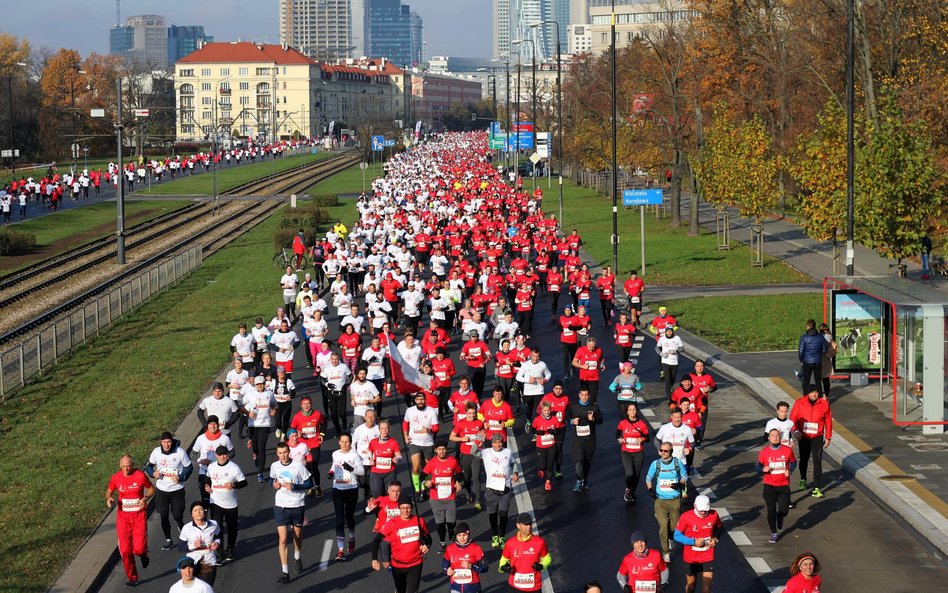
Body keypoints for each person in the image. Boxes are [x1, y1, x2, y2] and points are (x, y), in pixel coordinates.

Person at [106, 455, 154, 588]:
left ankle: (143, 554)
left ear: (132, 466)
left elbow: (151, 488)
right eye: (123, 467)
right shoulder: (116, 478)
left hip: (138, 516)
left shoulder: (140, 476)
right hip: (123, 519)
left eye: (128, 466)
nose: (126, 469)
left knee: (138, 549)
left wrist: (145, 497)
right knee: (126, 551)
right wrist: (109, 498)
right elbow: (109, 492)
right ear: (120, 466)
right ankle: (132, 577)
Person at [270, 441, 314, 583]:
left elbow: (309, 483)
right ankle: (285, 572)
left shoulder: (298, 466)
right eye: (280, 453)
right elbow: (272, 479)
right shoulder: (274, 466)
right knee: (282, 539)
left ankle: (297, 556)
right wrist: (273, 484)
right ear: (277, 454)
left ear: (289, 452)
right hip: (281, 506)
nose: (283, 456)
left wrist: (294, 486)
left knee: (297, 535)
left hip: (297, 505)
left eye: (285, 452)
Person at [371, 493, 432, 593]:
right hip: (398, 566)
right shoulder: (392, 523)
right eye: (403, 508)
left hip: (415, 564)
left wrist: (427, 545)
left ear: (411, 508)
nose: (406, 511)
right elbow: (376, 541)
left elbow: (428, 538)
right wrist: (374, 559)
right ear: (399, 509)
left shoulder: (419, 521)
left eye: (408, 508)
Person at [145, 432, 193, 551]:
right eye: (164, 442)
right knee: (163, 515)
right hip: (162, 489)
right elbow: (149, 466)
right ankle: (168, 539)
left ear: (172, 441)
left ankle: (180, 524)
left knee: (177, 515)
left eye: (169, 442)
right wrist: (152, 473)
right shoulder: (156, 452)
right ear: (161, 442)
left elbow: (189, 467)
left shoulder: (180, 452)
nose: (166, 445)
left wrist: (181, 477)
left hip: (177, 489)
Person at [645, 441, 688, 562]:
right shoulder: (656, 464)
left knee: (674, 527)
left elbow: (685, 476)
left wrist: (679, 484)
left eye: (666, 451)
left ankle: (670, 538)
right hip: (660, 500)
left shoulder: (677, 462)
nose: (663, 453)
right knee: (663, 526)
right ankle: (666, 552)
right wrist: (650, 490)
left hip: (675, 500)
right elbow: (648, 478)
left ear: (671, 452)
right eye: (661, 450)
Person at [204, 446, 246, 563]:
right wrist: (207, 486)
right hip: (215, 501)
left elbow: (244, 482)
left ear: (227, 455)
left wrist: (234, 485)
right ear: (216, 456)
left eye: (225, 454)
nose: (223, 457)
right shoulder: (212, 467)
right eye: (220, 455)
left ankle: (230, 548)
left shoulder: (234, 467)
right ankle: (220, 552)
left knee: (232, 528)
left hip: (230, 504)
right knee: (217, 527)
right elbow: (207, 478)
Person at [674, 495, 723, 593]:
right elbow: (677, 535)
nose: (704, 512)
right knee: (691, 586)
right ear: (694, 505)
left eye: (706, 510)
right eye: (701, 510)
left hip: (707, 555)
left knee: (706, 588)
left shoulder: (714, 515)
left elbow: (720, 527)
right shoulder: (686, 517)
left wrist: (715, 539)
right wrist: (693, 542)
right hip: (691, 556)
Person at [756, 428, 798, 543]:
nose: (775, 437)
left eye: (777, 435)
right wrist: (762, 469)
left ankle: (780, 516)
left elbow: (794, 462)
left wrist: (790, 471)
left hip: (783, 486)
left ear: (780, 437)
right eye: (772, 435)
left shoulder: (787, 450)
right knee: (771, 510)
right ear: (769, 438)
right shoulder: (764, 452)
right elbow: (757, 467)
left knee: (784, 510)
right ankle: (774, 533)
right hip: (769, 486)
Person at [791, 385, 832, 498]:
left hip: (817, 437)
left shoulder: (824, 404)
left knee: (817, 460)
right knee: (803, 459)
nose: (815, 394)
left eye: (817, 392)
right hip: (803, 436)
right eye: (813, 392)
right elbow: (793, 418)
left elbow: (828, 421)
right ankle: (803, 479)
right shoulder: (799, 402)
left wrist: (828, 437)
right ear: (808, 393)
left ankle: (816, 487)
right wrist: (795, 431)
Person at [423, 440, 464, 550]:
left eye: (443, 449)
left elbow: (459, 474)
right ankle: (442, 543)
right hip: (435, 498)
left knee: (451, 523)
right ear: (436, 450)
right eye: (439, 449)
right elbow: (422, 475)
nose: (441, 451)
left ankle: (451, 534)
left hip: (450, 497)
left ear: (446, 450)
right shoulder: (432, 462)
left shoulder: (453, 461)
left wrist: (458, 483)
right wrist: (426, 482)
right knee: (440, 524)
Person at [329, 433, 365, 561]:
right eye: (342, 441)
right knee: (339, 520)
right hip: (337, 489)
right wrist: (331, 472)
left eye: (347, 442)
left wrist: (350, 468)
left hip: (351, 489)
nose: (344, 444)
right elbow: (334, 465)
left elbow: (361, 471)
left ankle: (351, 537)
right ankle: (340, 550)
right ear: (338, 442)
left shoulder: (354, 455)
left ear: (350, 443)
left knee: (349, 516)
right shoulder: (335, 454)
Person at [499, 513, 552, 593]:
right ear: (518, 525)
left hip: (534, 588)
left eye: (530, 524)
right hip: (514, 587)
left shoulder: (539, 542)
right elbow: (503, 561)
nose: (529, 527)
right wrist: (504, 568)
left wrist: (541, 566)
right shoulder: (510, 543)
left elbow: (547, 558)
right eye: (526, 524)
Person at [403, 391, 440, 498]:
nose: (420, 401)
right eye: (418, 399)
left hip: (428, 443)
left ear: (425, 400)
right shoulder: (410, 411)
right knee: (416, 467)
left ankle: (424, 487)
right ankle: (418, 488)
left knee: (426, 468)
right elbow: (405, 423)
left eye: (422, 399)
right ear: (415, 400)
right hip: (414, 442)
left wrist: (428, 429)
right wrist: (405, 436)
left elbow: (436, 428)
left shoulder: (431, 411)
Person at [241, 376, 277, 483]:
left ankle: (260, 473)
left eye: (261, 384)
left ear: (264, 383)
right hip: (253, 425)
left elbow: (275, 405)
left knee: (262, 448)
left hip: (265, 424)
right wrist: (248, 413)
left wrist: (274, 410)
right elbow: (240, 405)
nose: (260, 386)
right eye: (258, 384)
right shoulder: (250, 394)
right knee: (255, 448)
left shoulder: (269, 394)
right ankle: (255, 454)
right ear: (255, 385)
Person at [192, 416, 234, 507]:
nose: (213, 426)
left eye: (215, 424)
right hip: (204, 470)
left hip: (220, 471)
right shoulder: (201, 438)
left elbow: (232, 452)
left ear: (218, 425)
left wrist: (223, 458)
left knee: (219, 494)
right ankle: (206, 514)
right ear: (207, 426)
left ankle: (218, 512)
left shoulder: (224, 438)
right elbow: (192, 454)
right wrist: (200, 461)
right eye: (210, 424)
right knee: (205, 494)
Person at [450, 402, 486, 508]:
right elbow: (451, 437)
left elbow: (483, 435)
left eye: (474, 413)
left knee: (476, 477)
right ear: (465, 413)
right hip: (465, 454)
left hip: (476, 454)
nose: (472, 416)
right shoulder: (460, 423)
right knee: (466, 477)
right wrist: (461, 439)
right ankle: (469, 492)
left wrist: (481, 441)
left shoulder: (479, 423)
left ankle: (477, 500)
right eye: (470, 413)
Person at [568, 387, 603, 492]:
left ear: (589, 396)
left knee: (587, 462)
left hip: (590, 439)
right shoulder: (573, 407)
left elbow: (601, 420)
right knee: (579, 460)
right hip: (577, 440)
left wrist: (593, 419)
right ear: (579, 395)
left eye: (586, 395)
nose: (584, 397)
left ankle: (585, 480)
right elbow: (566, 417)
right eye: (582, 395)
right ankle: (579, 480)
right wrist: (572, 421)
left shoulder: (594, 407)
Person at [289, 395, 326, 497]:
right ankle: (310, 487)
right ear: (301, 405)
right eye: (304, 404)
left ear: (311, 404)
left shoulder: (317, 414)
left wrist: (322, 434)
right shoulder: (297, 417)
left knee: (314, 465)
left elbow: (324, 424)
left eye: (308, 403)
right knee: (306, 468)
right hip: (302, 446)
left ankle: (318, 486)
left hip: (314, 444)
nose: (306, 406)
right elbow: (291, 429)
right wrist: (297, 433)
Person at [178, 501, 221, 586]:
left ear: (204, 512)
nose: (198, 512)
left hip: (209, 562)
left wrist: (217, 543)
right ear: (192, 515)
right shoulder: (187, 528)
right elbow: (180, 547)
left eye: (200, 509)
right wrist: (193, 545)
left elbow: (219, 535)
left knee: (207, 588)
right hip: (192, 563)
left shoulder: (214, 524)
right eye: (195, 510)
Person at [616, 403, 650, 503]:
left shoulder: (642, 424)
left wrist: (642, 439)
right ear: (627, 412)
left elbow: (647, 438)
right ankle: (628, 489)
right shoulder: (623, 423)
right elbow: (617, 434)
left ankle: (632, 492)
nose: (632, 412)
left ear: (636, 411)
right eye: (630, 410)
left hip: (639, 453)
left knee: (637, 474)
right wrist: (620, 439)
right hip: (626, 452)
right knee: (629, 473)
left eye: (634, 410)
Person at [443, 521, 489, 593]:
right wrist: (447, 570)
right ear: (456, 536)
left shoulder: (476, 548)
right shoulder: (450, 549)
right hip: (455, 586)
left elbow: (485, 567)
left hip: (473, 587)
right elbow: (445, 562)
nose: (462, 538)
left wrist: (471, 566)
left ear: (468, 534)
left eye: (464, 535)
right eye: (459, 535)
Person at [517, 348, 551, 429]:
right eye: (534, 356)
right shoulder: (525, 365)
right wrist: (527, 380)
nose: (536, 358)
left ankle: (537, 427)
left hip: (539, 391)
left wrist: (544, 380)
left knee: (538, 411)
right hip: (528, 392)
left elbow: (548, 374)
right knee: (529, 410)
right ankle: (529, 421)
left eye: (537, 356)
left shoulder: (542, 364)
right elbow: (518, 377)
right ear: (531, 356)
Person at [368, 419, 403, 496]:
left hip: (389, 472)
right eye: (382, 429)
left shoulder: (393, 442)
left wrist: (397, 459)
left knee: (390, 494)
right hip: (376, 472)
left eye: (386, 428)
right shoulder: (373, 442)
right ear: (379, 429)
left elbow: (400, 456)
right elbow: (369, 451)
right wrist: (370, 459)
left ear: (389, 429)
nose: (384, 431)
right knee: (376, 494)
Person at [532, 401, 560, 490]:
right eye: (545, 410)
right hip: (540, 446)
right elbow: (532, 430)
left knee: (550, 464)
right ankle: (541, 469)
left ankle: (548, 482)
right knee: (543, 465)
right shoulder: (537, 419)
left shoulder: (554, 419)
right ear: (542, 410)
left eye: (548, 410)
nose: (547, 412)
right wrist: (538, 432)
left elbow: (559, 430)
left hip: (551, 445)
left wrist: (554, 431)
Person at [797, 319, 828, 395]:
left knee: (806, 381)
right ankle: (819, 397)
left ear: (808, 326)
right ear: (814, 326)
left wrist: (802, 360)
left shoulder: (804, 337)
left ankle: (806, 397)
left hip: (807, 362)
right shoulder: (821, 337)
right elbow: (824, 350)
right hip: (817, 362)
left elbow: (800, 351)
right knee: (818, 381)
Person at [656, 327, 684, 398]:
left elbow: (682, 348)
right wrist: (661, 354)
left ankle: (669, 388)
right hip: (665, 361)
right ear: (665, 332)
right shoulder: (662, 339)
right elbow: (656, 348)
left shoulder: (677, 338)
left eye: (670, 331)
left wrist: (676, 351)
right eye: (667, 331)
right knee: (668, 380)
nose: (669, 333)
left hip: (674, 361)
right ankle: (669, 397)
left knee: (673, 378)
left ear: (672, 332)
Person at [817, 323, 836, 397]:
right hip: (826, 359)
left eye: (821, 329)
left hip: (822, 358)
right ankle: (827, 395)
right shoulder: (830, 335)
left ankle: (822, 395)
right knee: (825, 379)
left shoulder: (826, 336)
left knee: (821, 378)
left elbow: (822, 347)